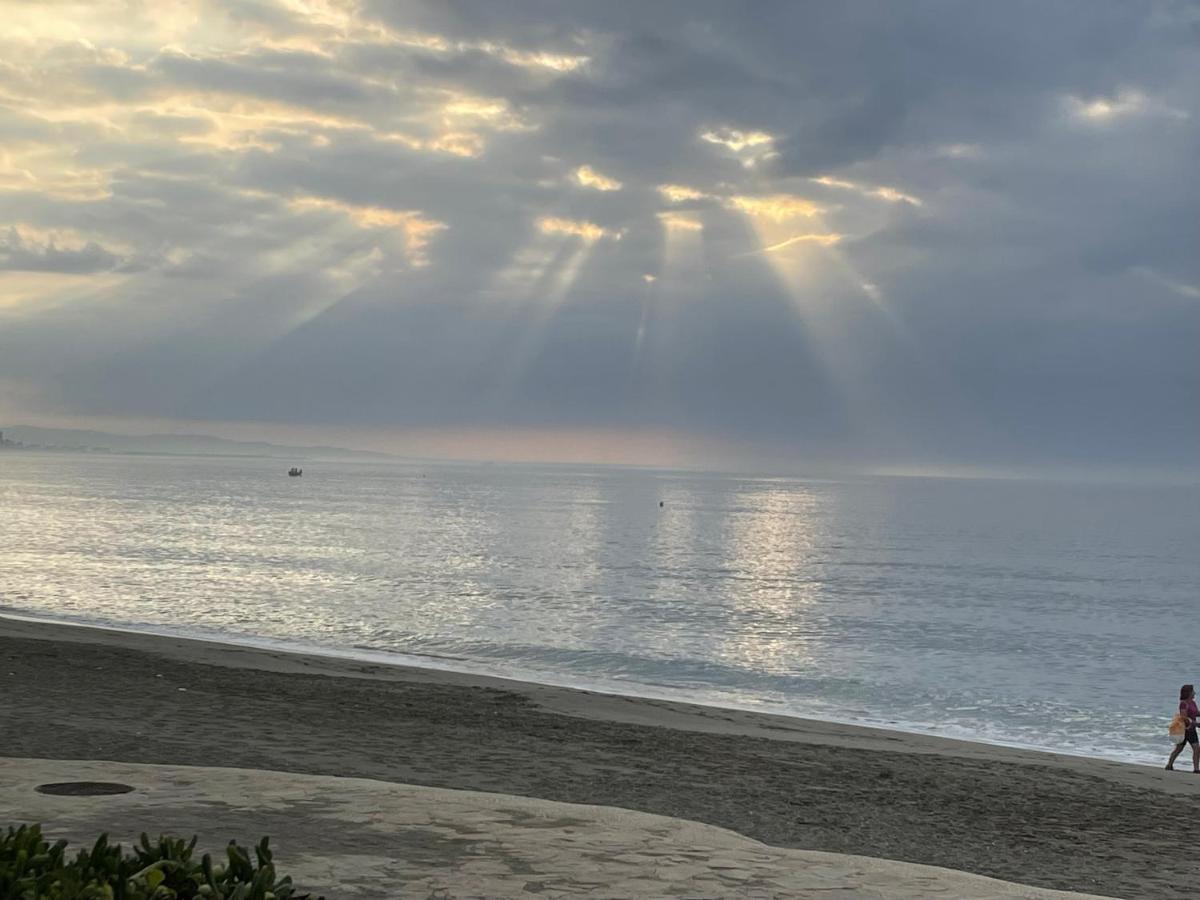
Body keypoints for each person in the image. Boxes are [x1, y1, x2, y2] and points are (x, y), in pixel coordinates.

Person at [1166, 684, 1200, 772]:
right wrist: (1196, 724)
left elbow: (1195, 713)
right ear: (1188, 692)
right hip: (1185, 729)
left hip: (1192, 729)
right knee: (1182, 748)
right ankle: (1170, 765)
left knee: (1190, 748)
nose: (1194, 693)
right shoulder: (1183, 704)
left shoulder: (1192, 702)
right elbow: (1184, 717)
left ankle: (1196, 769)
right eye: (1193, 691)